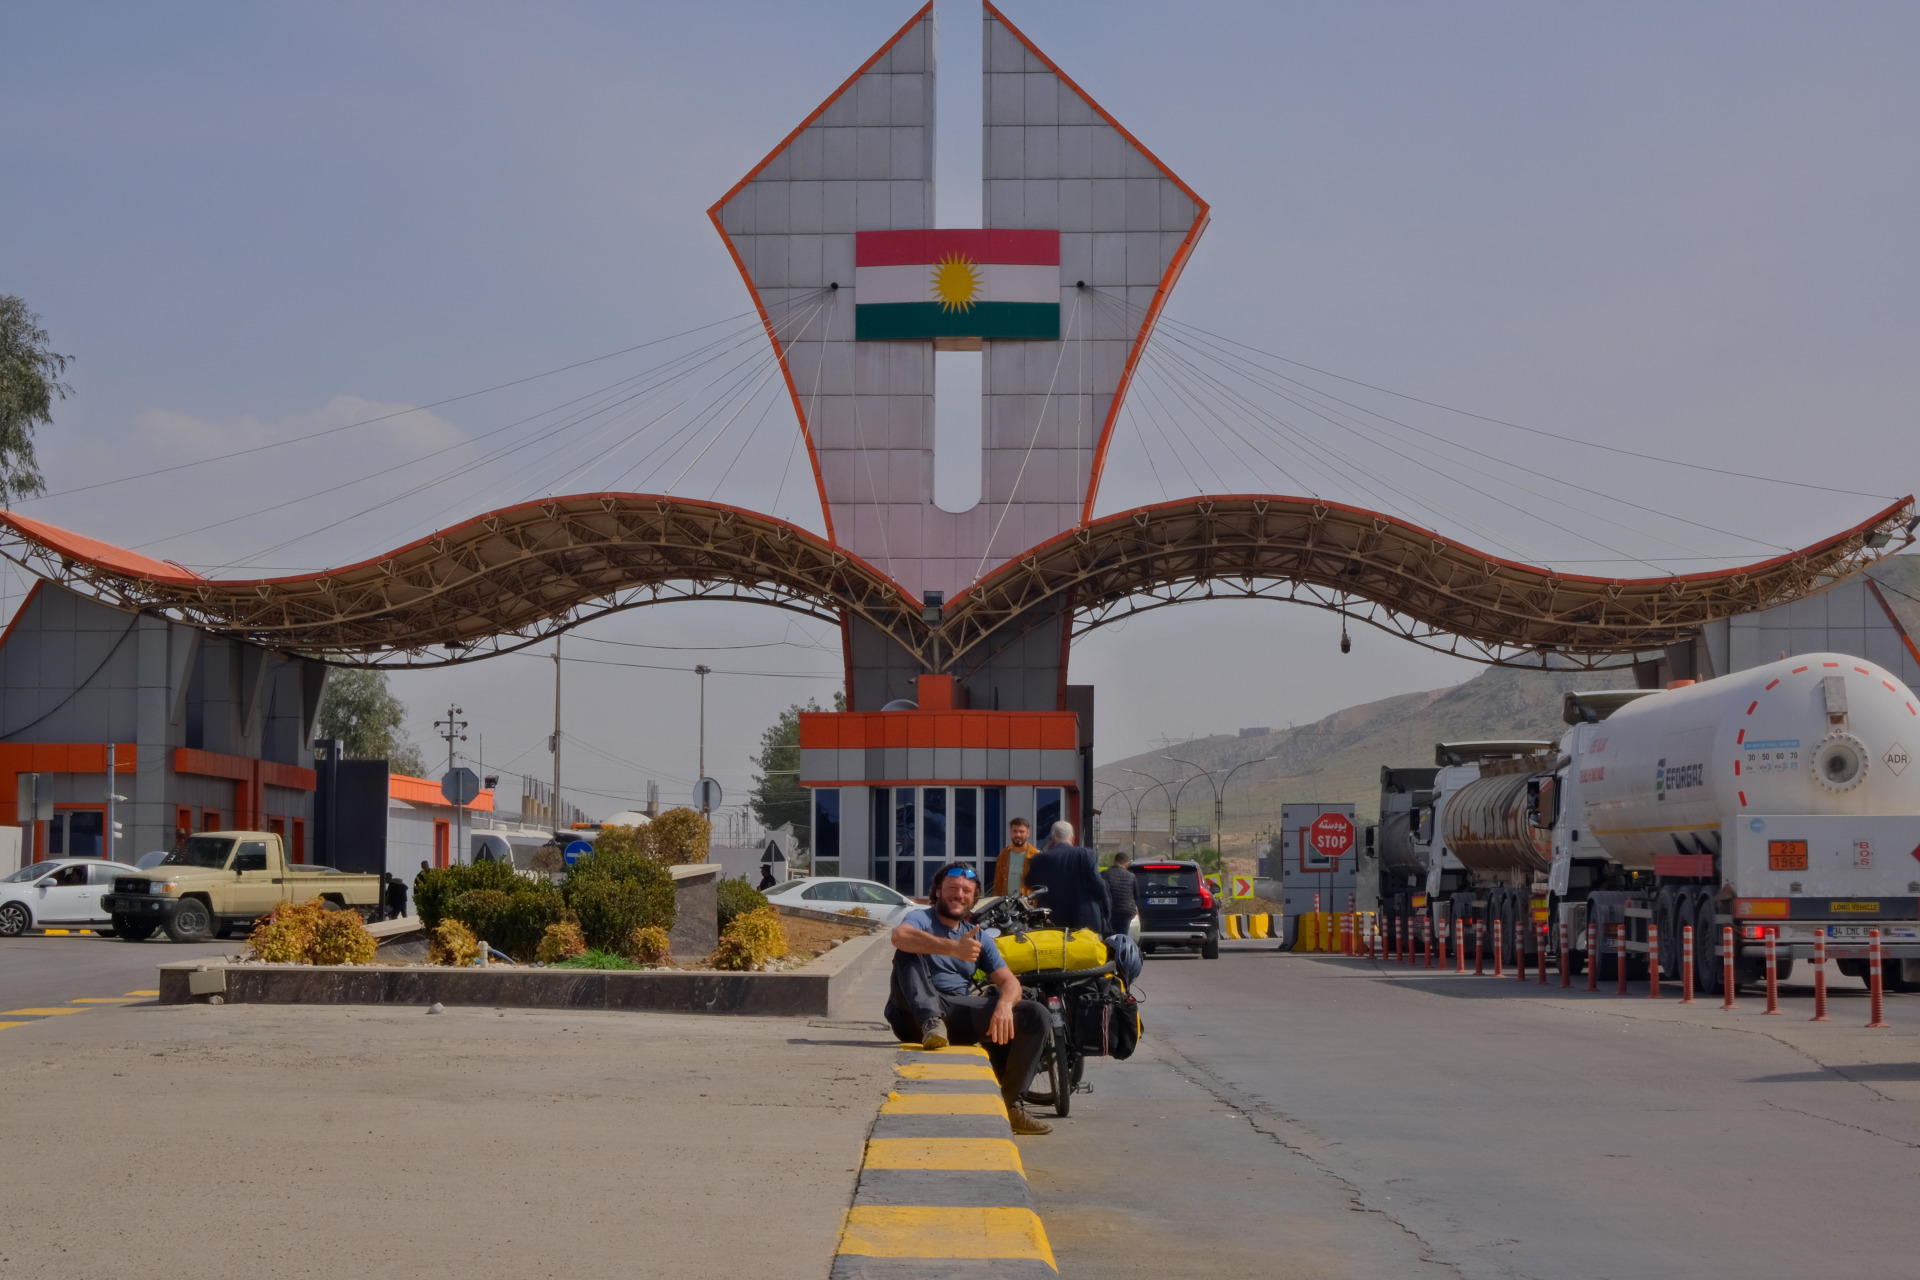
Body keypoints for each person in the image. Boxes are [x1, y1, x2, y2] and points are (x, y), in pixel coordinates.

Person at [884, 862, 1056, 1136]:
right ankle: (930, 1019)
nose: (959, 895)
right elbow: (900, 936)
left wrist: (1004, 1006)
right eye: (952, 888)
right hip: (913, 1015)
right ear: (937, 891)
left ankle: (1012, 1107)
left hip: (955, 1012)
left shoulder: (979, 937)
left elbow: (1010, 982)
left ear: (974, 898)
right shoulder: (921, 919)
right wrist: (954, 948)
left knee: (1037, 1014)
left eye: (966, 891)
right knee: (907, 948)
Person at [1021, 821, 1111, 936]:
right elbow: (1099, 885)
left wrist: (1044, 852)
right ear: (1072, 838)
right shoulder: (1086, 855)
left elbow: (1029, 882)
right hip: (1084, 923)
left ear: (1052, 838)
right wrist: (1107, 911)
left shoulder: (1040, 859)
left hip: (1052, 923)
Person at [992, 817, 1034, 898]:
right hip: (1006, 904)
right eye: (1015, 831)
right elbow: (998, 885)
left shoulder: (1035, 857)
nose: (1018, 835)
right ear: (1010, 832)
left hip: (1027, 904)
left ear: (1028, 833)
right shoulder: (1003, 856)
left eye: (1021, 831)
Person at [1101, 850, 1139, 935]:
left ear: (1114, 861)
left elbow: (1101, 893)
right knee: (1123, 936)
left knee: (1109, 937)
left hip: (1111, 911)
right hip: (1127, 912)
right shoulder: (1131, 876)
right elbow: (1136, 895)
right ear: (1126, 863)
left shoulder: (1105, 874)